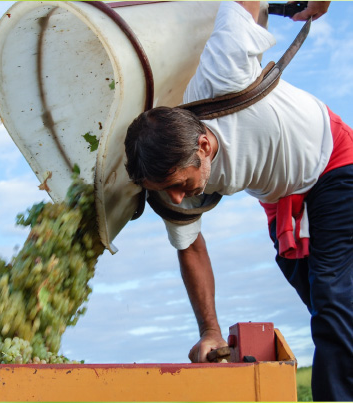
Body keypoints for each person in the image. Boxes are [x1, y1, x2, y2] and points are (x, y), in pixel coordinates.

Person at [124, 1, 353, 401]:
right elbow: (191, 249)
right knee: (326, 306)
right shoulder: (168, 179)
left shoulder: (221, 72)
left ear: (204, 144)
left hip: (332, 159)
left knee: (334, 301)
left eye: (181, 183)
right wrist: (209, 330)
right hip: (282, 198)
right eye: (166, 190)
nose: (177, 197)